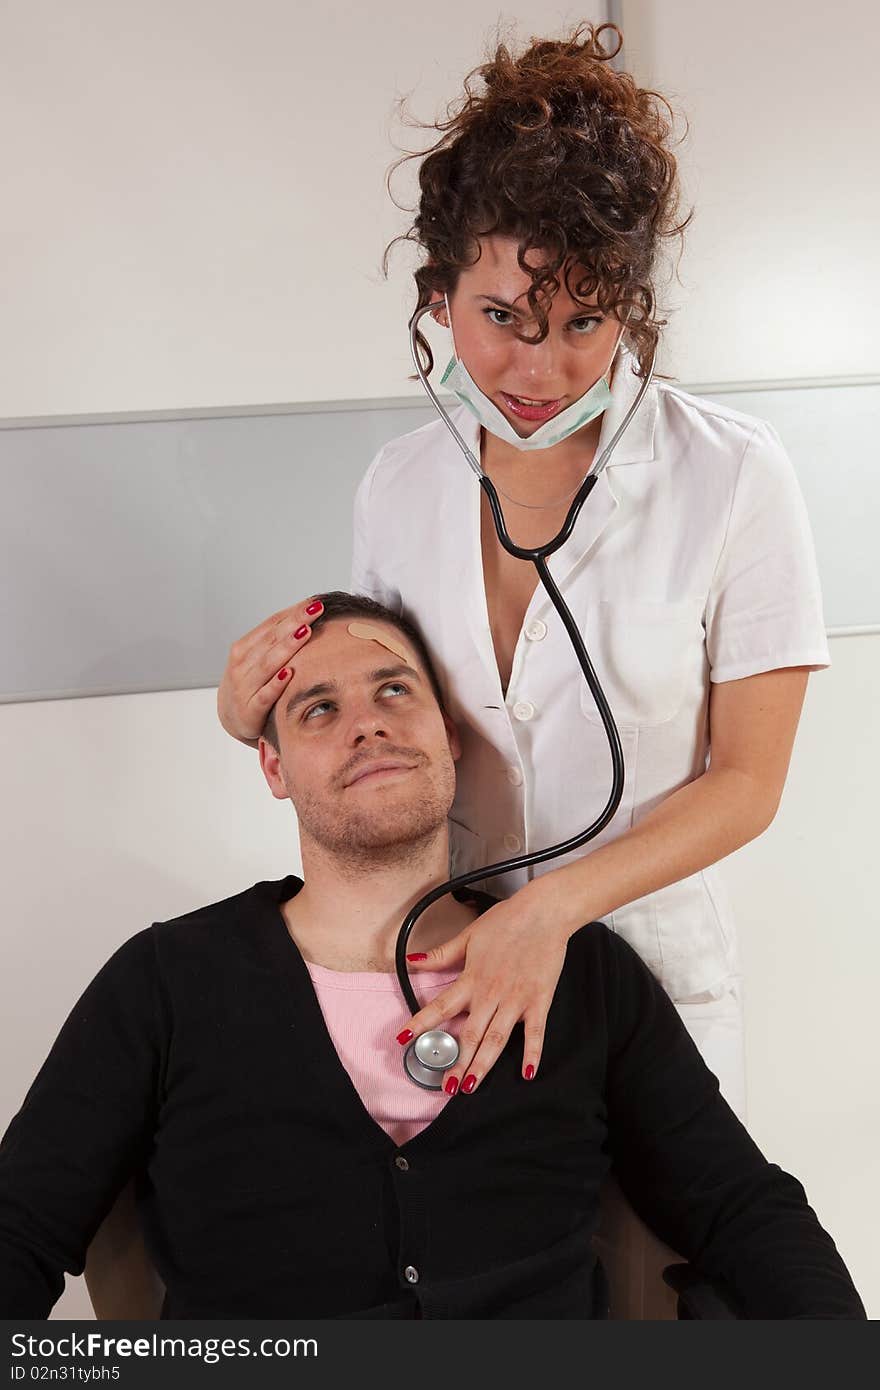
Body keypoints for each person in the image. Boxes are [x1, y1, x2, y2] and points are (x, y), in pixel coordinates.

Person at [216, 22, 828, 1120]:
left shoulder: (732, 475)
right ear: (440, 297)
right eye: (500, 318)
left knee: (677, 1283)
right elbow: (386, 726)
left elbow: (747, 782)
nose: (537, 371)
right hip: (449, 967)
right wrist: (254, 715)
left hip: (650, 974)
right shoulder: (397, 486)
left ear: (628, 308)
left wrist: (553, 912)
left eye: (582, 322)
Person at [0, 595, 864, 1319]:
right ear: (273, 768)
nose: (368, 725)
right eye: (319, 709)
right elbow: (22, 1225)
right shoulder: (166, 983)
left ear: (449, 735)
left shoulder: (586, 976)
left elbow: (747, 1215)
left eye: (393, 691)